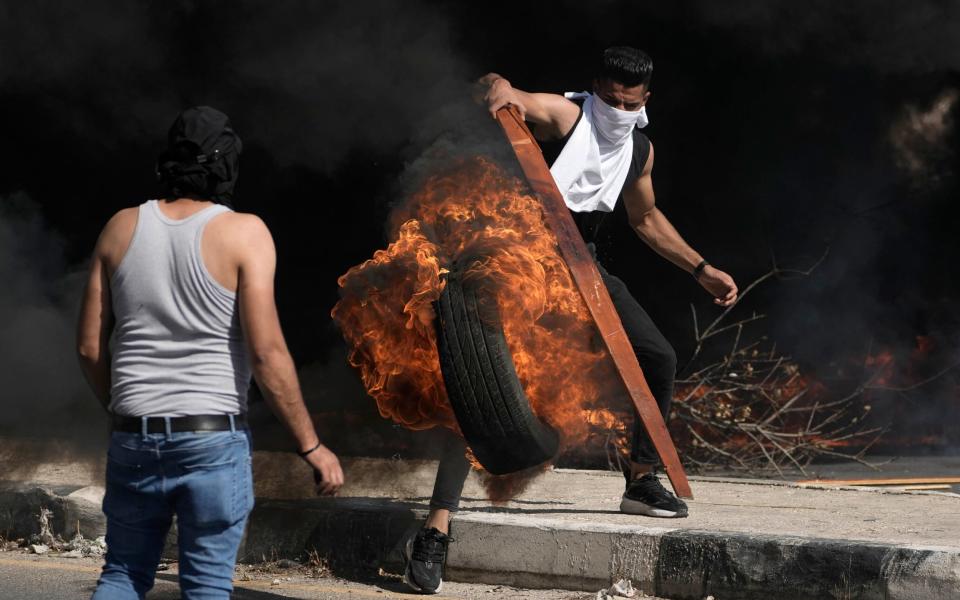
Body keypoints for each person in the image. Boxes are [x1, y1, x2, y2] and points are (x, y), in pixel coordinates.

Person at [401, 47, 739, 594]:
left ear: (645, 101)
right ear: (594, 89)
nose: (616, 109)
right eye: (608, 98)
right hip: (516, 254)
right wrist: (497, 85)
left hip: (580, 263)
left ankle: (642, 480)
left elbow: (646, 217)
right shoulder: (568, 115)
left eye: (628, 103)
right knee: (481, 384)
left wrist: (700, 269)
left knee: (656, 356)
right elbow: (510, 92)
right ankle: (436, 527)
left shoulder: (639, 151)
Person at [76, 106, 344, 600]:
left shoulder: (119, 228)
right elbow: (266, 353)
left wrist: (121, 409)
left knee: (122, 576)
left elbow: (91, 346)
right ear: (226, 166)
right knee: (205, 587)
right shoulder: (245, 232)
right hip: (211, 444)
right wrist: (311, 445)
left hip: (134, 436)